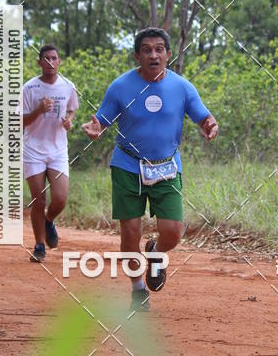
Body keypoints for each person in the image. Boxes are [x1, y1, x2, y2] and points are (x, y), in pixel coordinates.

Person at [81, 27, 218, 311]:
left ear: (168, 54)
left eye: (159, 49)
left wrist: (209, 125)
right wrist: (96, 129)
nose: (153, 55)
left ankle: (156, 253)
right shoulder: (120, 87)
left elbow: (204, 116)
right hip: (127, 166)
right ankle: (137, 289)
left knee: (173, 232)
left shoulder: (182, 87)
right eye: (146, 50)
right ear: (137, 55)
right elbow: (102, 120)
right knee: (130, 234)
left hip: (166, 167)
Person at [22, 43, 79, 261]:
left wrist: (69, 121)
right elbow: (19, 121)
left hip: (57, 150)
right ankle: (39, 246)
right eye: (46, 58)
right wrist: (38, 110)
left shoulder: (67, 86)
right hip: (33, 149)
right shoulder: (29, 88)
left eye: (54, 58)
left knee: (60, 199)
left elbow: (72, 109)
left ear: (59, 62)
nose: (50, 62)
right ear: (39, 62)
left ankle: (48, 221)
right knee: (38, 200)